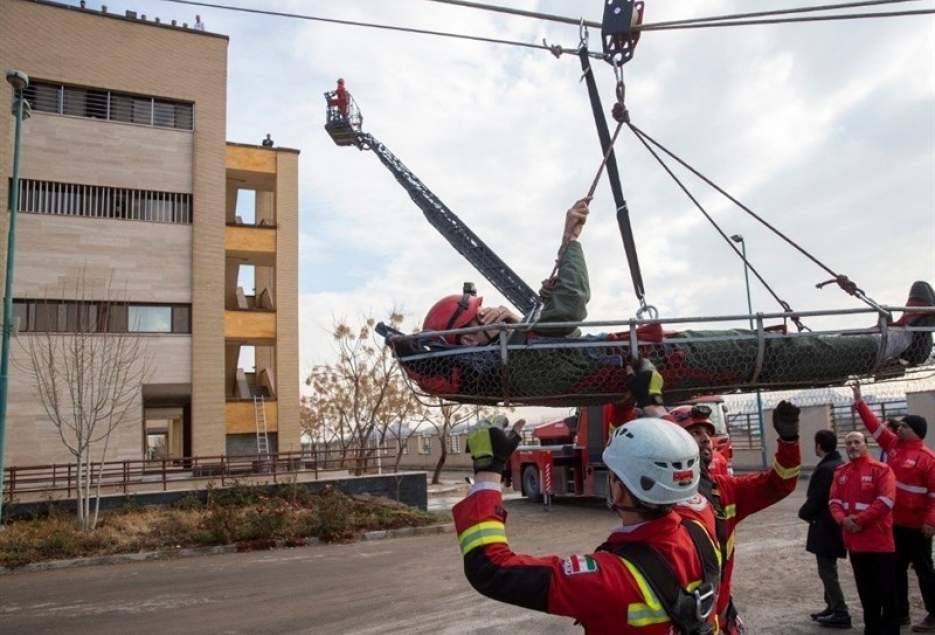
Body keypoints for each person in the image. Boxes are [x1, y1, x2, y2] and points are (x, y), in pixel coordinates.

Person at [454, 413, 723, 633]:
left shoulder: (605, 579)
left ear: (620, 490)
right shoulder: (700, 530)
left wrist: (488, 471)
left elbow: (488, 568)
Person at [665, 401, 802, 633]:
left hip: (718, 612)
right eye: (695, 433)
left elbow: (779, 483)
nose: (706, 439)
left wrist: (789, 442)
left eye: (707, 433)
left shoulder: (725, 489)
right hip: (676, 619)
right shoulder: (657, 494)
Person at [852, 383, 935, 632]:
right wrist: (859, 402)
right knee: (895, 571)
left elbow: (934, 495)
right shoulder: (895, 447)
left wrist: (931, 522)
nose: (899, 428)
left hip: (918, 527)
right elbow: (874, 427)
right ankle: (901, 614)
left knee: (924, 571)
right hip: (894, 525)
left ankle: (933, 613)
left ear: (916, 432)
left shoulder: (927, 459)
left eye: (905, 426)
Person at [829, 431, 898, 635]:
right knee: (866, 593)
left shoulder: (882, 470)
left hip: (879, 543)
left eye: (857, 442)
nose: (852, 446)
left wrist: (858, 520)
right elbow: (834, 502)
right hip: (855, 543)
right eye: (848, 442)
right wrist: (843, 520)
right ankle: (872, 628)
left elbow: (885, 501)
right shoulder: (840, 472)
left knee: (887, 593)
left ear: (866, 445)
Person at [798, 429, 850, 628]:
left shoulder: (827, 468)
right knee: (828, 569)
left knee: (827, 571)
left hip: (825, 525)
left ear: (818, 445)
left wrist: (804, 513)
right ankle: (831, 607)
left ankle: (840, 611)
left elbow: (817, 498)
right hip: (833, 524)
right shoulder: (839, 464)